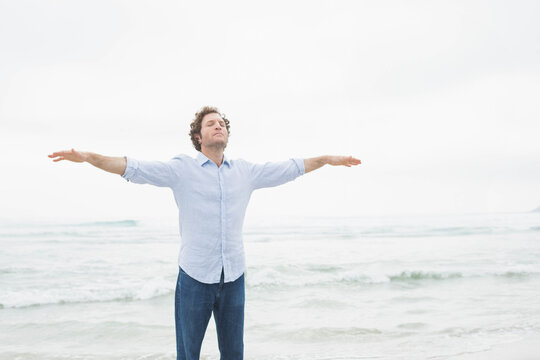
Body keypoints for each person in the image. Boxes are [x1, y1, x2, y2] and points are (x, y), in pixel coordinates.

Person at [48, 106, 361, 360]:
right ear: (198, 137)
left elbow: (290, 167)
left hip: (233, 276)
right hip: (195, 277)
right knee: (188, 355)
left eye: (222, 123)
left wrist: (326, 160)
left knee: (234, 354)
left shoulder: (245, 172)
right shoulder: (181, 169)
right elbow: (132, 167)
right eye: (211, 123)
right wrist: (89, 158)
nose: (219, 126)